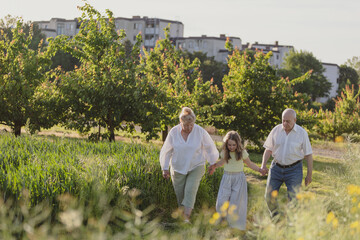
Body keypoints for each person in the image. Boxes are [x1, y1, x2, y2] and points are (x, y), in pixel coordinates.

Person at [159, 107, 219, 223]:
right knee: (180, 195)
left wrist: (212, 163)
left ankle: (186, 218)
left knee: (190, 190)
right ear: (180, 122)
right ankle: (182, 217)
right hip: (178, 167)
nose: (189, 128)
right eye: (186, 125)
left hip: (196, 165)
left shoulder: (200, 131)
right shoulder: (173, 132)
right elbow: (166, 151)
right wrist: (165, 168)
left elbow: (210, 148)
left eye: (191, 125)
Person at [260, 108, 313, 218]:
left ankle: (290, 224)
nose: (285, 123)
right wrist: (263, 165)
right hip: (276, 168)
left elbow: (308, 155)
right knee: (268, 197)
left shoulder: (302, 133)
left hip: (294, 170)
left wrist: (309, 175)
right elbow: (268, 149)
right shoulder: (276, 130)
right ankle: (277, 218)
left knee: (293, 200)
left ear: (295, 120)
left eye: (288, 121)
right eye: (283, 120)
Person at [208, 131, 266, 230]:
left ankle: (234, 225)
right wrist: (214, 166)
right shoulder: (225, 152)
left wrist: (259, 169)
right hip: (227, 178)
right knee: (222, 200)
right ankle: (221, 221)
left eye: (233, 145)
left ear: (238, 144)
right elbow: (222, 162)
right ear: (226, 144)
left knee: (236, 202)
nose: (231, 147)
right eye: (229, 145)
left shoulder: (242, 153)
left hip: (238, 178)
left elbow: (250, 164)